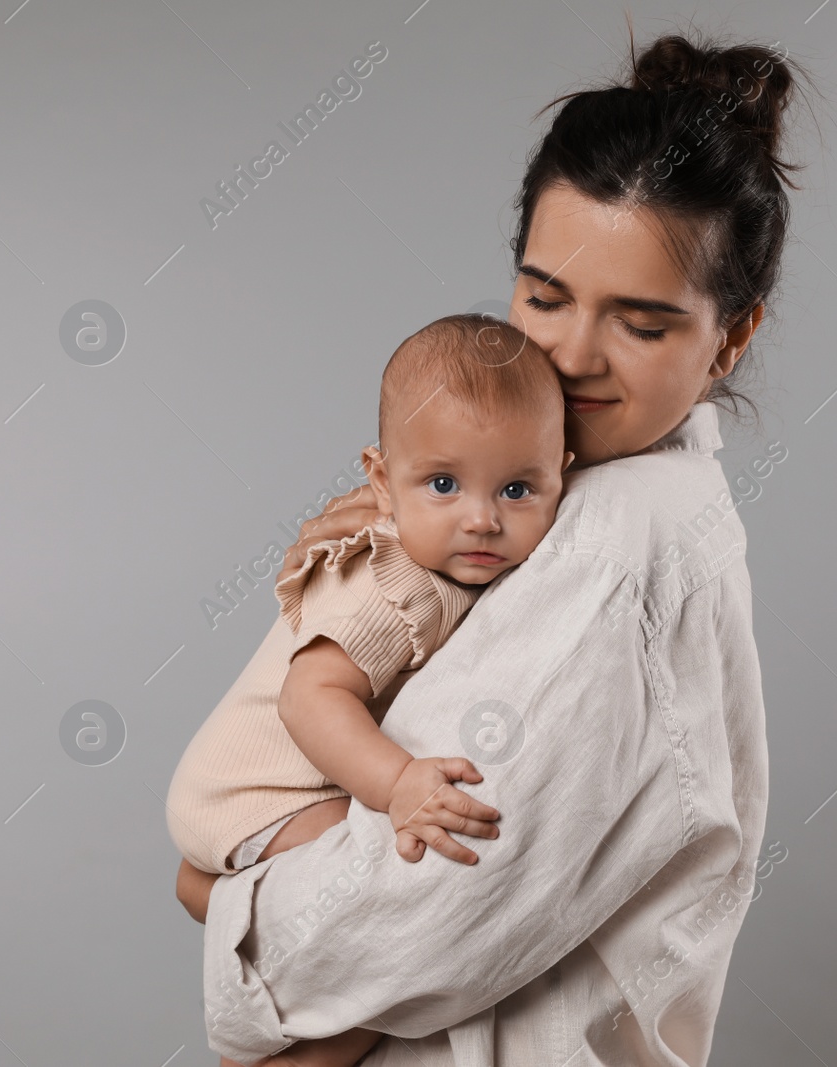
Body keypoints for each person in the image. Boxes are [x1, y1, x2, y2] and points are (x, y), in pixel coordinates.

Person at [185, 31, 803, 1066]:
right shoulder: (547, 499)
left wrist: (218, 890)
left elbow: (401, 920)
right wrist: (376, 576)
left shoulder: (614, 548)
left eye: (641, 324)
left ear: (730, 337)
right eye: (544, 296)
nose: (567, 354)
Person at [167, 315, 571, 1067]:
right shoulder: (401, 585)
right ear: (382, 480)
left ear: (562, 476)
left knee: (395, 931)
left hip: (267, 791)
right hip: (254, 793)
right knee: (394, 918)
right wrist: (399, 785)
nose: (481, 518)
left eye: (518, 488)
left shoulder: (450, 555)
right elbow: (308, 697)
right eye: (442, 483)